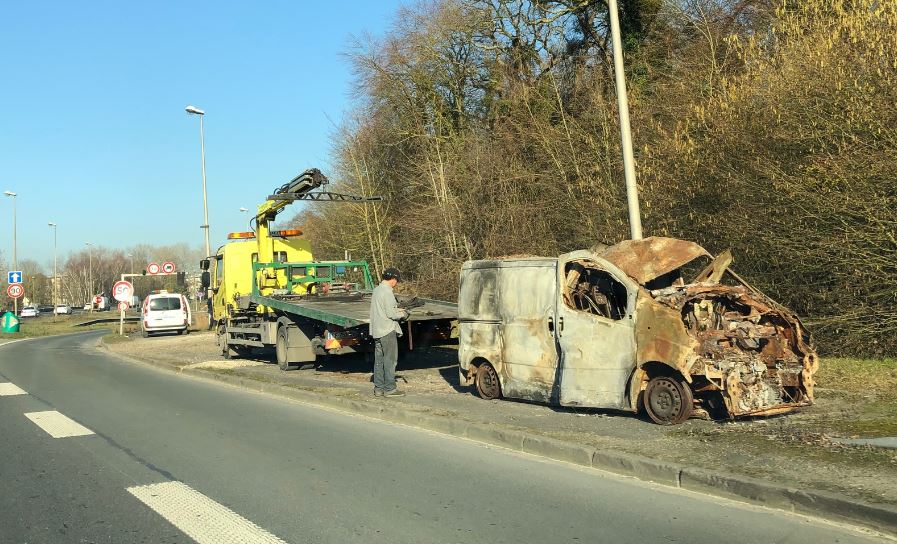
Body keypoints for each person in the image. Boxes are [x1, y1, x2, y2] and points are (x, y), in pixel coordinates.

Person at [370, 267, 408, 397]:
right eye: (396, 280)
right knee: (390, 360)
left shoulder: (376, 290)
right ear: (393, 279)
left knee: (379, 361)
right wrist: (404, 314)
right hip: (387, 330)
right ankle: (390, 389)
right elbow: (392, 313)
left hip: (377, 330)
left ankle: (379, 388)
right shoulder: (387, 292)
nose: (396, 283)